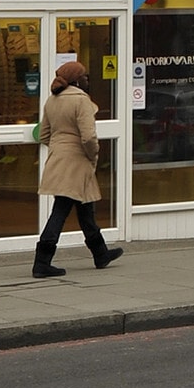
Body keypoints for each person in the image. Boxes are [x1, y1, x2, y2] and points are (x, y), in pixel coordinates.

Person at [32, 60, 123, 277]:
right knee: (61, 210)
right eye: (84, 76)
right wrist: (93, 155)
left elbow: (44, 135)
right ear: (76, 80)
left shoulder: (52, 100)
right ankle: (42, 262)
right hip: (77, 161)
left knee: (85, 208)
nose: (87, 80)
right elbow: (89, 136)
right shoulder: (81, 100)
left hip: (59, 160)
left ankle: (100, 253)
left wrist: (60, 148)